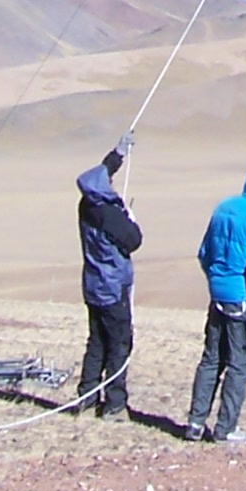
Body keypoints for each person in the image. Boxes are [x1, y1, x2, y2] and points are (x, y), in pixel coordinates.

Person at [186, 161, 246, 444]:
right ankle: (225, 429)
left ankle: (194, 423)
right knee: (239, 365)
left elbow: (204, 253)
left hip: (218, 297)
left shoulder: (224, 208)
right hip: (243, 301)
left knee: (211, 360)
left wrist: (217, 282)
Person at [76, 143, 142, 419]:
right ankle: (115, 404)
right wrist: (129, 218)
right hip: (113, 288)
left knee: (97, 343)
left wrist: (118, 153)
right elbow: (133, 240)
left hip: (93, 287)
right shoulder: (109, 213)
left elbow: (103, 171)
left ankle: (87, 400)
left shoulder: (87, 205)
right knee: (119, 344)